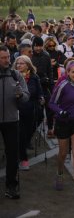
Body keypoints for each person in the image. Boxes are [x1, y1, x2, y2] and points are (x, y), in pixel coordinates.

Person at [49, 61, 74, 197]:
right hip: (63, 122)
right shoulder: (63, 86)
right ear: (68, 73)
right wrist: (61, 112)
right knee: (63, 153)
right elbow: (52, 103)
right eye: (73, 72)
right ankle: (60, 172)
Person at [0, 46, 30, 199]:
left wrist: (20, 96)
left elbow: (26, 96)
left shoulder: (16, 75)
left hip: (12, 120)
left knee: (12, 155)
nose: (7, 60)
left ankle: (11, 186)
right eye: (3, 58)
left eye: (8, 57)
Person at [13, 56, 44, 171]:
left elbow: (39, 92)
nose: (19, 65)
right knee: (21, 134)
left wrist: (41, 98)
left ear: (28, 65)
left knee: (26, 133)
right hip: (17, 110)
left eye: (22, 63)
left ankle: (23, 145)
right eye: (17, 63)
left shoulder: (34, 77)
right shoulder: (13, 76)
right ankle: (24, 159)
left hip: (31, 110)